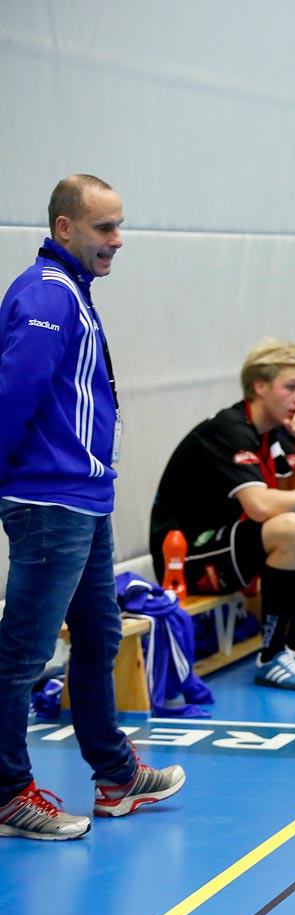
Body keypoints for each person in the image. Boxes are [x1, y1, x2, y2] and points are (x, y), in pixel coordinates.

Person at [0, 175, 185, 840]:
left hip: (83, 498)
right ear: (64, 230)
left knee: (101, 636)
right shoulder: (50, 296)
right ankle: (7, 795)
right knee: (22, 655)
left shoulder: (70, 294)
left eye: (118, 225)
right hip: (52, 501)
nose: (117, 240)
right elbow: (14, 394)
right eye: (104, 228)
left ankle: (116, 776)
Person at [150, 341, 295, 690]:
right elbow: (262, 507)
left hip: (233, 541)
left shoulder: (276, 431)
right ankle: (272, 654)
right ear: (260, 387)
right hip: (188, 555)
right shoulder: (230, 429)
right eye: (291, 388)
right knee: (292, 527)